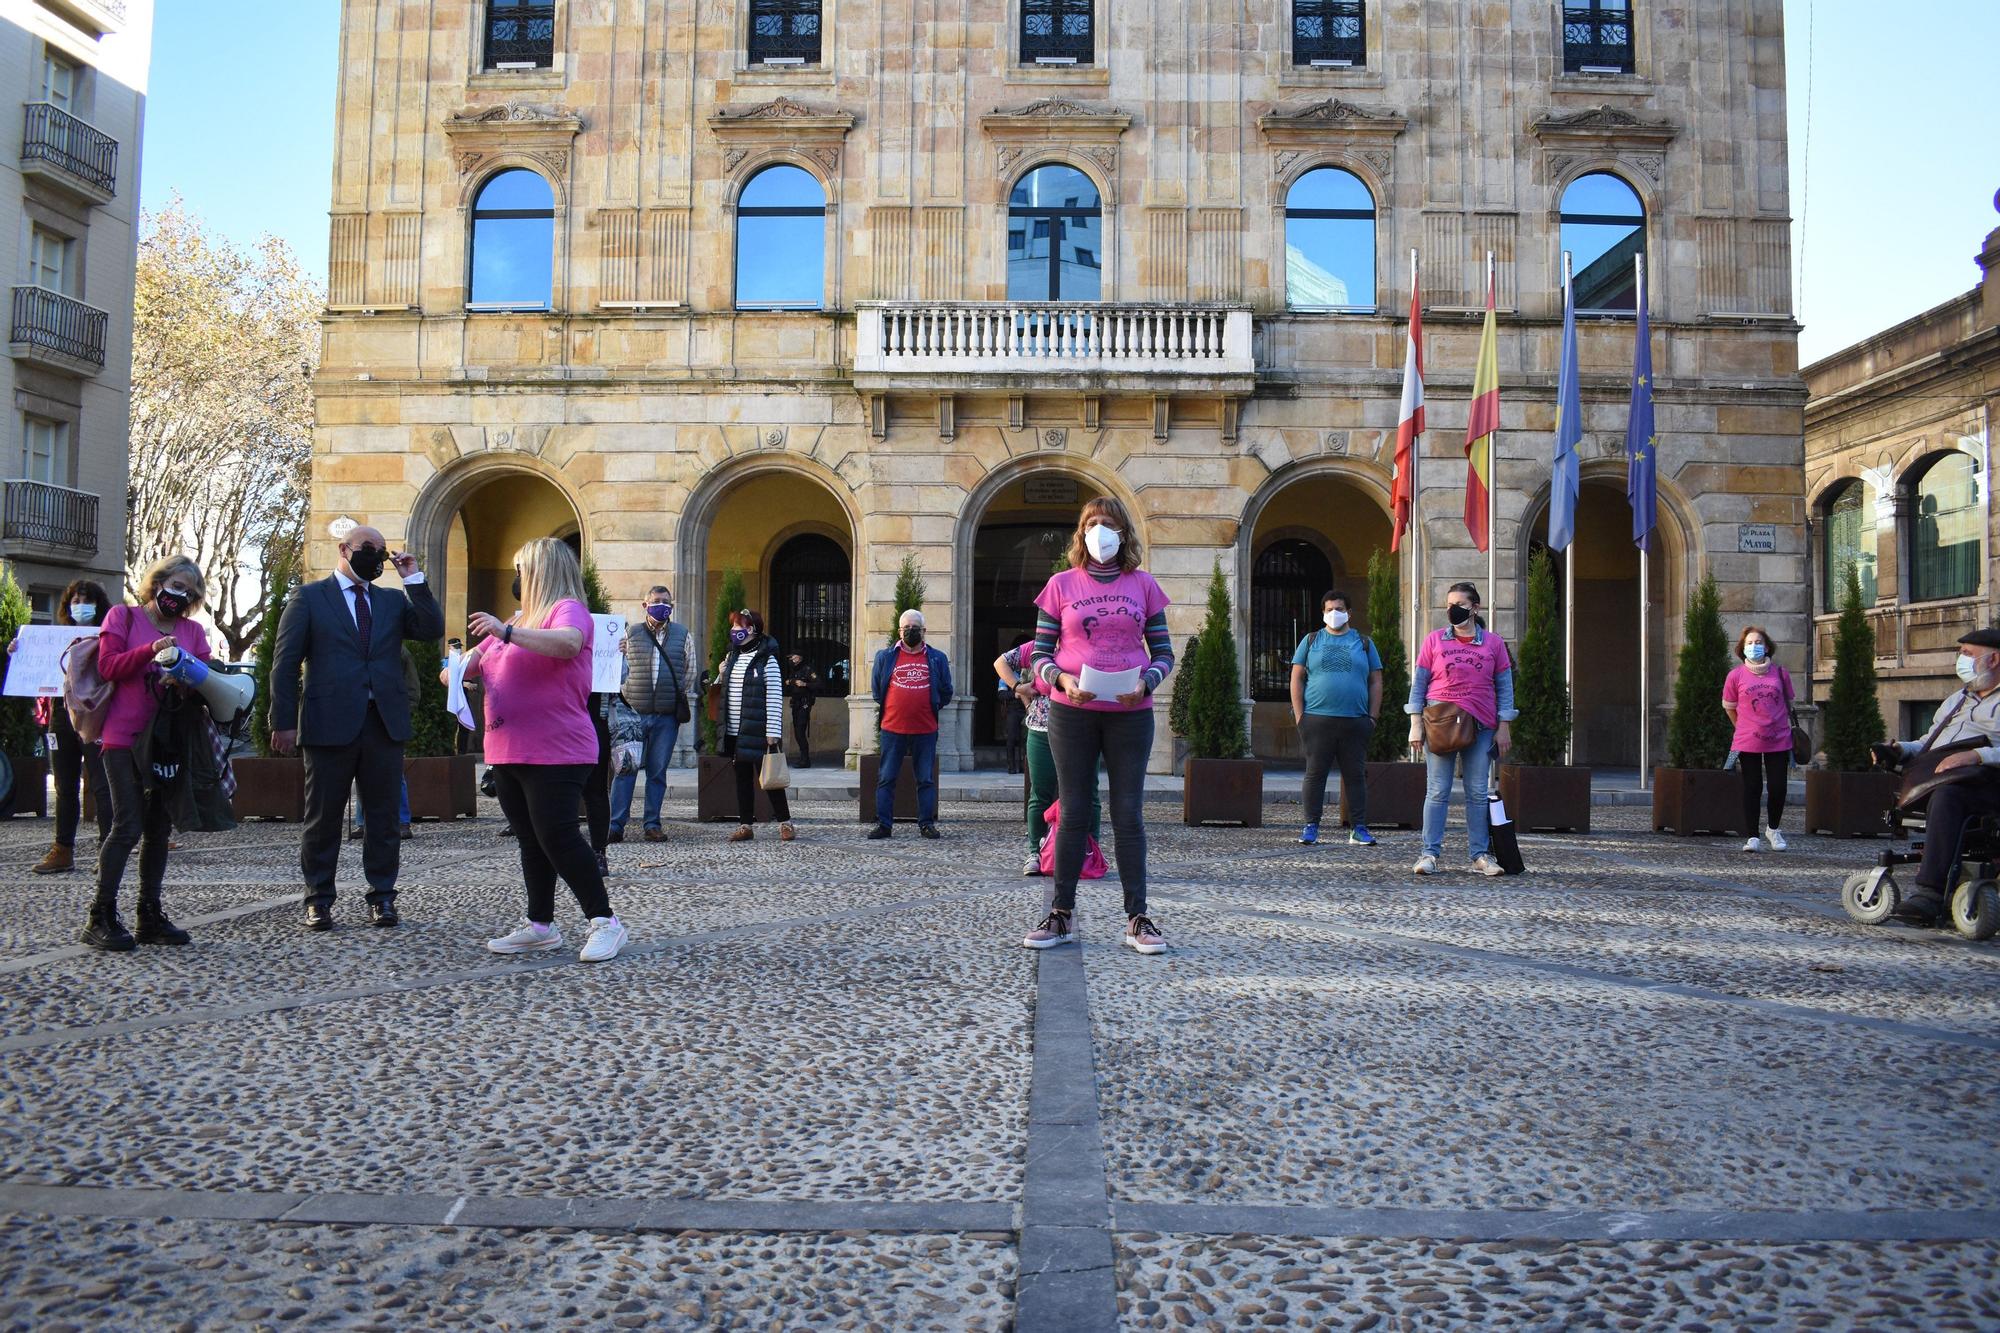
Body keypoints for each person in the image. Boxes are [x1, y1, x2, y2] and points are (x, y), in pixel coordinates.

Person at [270, 524, 444, 930]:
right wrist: (282, 722)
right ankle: (319, 899)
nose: (377, 556)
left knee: (383, 818)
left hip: (382, 723)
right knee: (323, 818)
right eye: (369, 548)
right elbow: (284, 663)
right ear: (344, 549)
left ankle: (382, 897)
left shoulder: (390, 602)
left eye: (381, 551)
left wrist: (413, 578)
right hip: (328, 722)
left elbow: (431, 628)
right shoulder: (310, 598)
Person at [1022, 497, 1174, 955]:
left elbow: (1164, 652)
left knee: (1128, 814)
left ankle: (1138, 919)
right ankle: (1061, 914)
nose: (1100, 532)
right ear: (1080, 533)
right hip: (1072, 711)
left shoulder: (1143, 586)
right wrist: (1062, 679)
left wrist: (1147, 682)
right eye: (1091, 524)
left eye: (1108, 524)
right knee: (1072, 811)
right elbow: (1041, 656)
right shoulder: (1059, 584)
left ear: (1123, 532)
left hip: (1130, 713)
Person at [466, 538, 629, 962]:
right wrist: (457, 670)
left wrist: (506, 632)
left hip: (557, 747)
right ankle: (540, 925)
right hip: (506, 747)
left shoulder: (566, 608)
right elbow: (469, 664)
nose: (516, 579)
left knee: (557, 835)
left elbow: (568, 644)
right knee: (530, 839)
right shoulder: (516, 619)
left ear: (540, 570)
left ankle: (605, 922)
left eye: (521, 570)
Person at [81, 556, 213, 951]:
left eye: (189, 592)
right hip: (123, 738)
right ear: (157, 583)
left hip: (166, 740)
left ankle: (148, 913)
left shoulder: (192, 631)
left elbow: (206, 674)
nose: (181, 595)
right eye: (176, 586)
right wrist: (152, 651)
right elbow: (108, 667)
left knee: (158, 829)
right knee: (127, 824)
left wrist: (187, 679)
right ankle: (100, 914)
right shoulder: (123, 617)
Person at [1878, 627, 2000, 924]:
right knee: (1941, 791)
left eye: (1968, 654)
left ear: (1994, 659)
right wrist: (1900, 750)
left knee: (1948, 797)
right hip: (1944, 776)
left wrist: (1977, 755)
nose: (1961, 660)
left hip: (1987, 781)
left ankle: (1929, 893)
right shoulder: (1956, 699)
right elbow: (1928, 743)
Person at [1406, 581, 1515, 878]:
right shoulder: (1433, 641)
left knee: (1478, 792)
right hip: (1441, 723)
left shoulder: (1493, 643)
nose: (1452, 610)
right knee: (1438, 790)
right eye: (1449, 604)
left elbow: (1505, 687)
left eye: (1459, 604)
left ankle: (1480, 854)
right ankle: (1429, 853)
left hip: (1481, 725)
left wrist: (1504, 726)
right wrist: (1415, 724)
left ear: (1475, 608)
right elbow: (1419, 685)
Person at [20, 578, 112, 874]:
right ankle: (63, 850)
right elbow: (34, 667)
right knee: (64, 785)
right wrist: (18, 653)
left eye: (87, 601)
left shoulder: (109, 636)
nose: (81, 607)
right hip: (61, 715)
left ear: (98, 605)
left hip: (94, 714)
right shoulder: (55, 640)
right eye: (75, 601)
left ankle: (108, 850)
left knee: (101, 783)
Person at [996, 639, 1099, 877]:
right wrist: (1017, 687)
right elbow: (1001, 662)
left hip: (1083, 728)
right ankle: (1035, 852)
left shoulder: (1088, 642)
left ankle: (1090, 850)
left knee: (1088, 792)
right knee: (1040, 792)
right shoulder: (1036, 646)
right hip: (1043, 727)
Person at [1291, 589, 1385, 847]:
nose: (1335, 613)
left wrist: (1372, 717)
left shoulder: (1364, 643)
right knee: (1315, 774)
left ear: (1349, 613)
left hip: (1355, 720)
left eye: (1340, 609)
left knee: (1355, 775)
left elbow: (1376, 680)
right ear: (1323, 613)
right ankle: (1311, 826)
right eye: (1330, 609)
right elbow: (1296, 678)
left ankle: (1359, 828)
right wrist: (1300, 716)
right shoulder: (1310, 641)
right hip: (1317, 720)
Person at [611, 585, 692, 843]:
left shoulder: (682, 634)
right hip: (633, 714)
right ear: (645, 605)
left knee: (657, 772)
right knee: (625, 770)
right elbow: (618, 670)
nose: (662, 605)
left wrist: (672, 692)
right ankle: (615, 825)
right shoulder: (630, 633)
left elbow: (689, 672)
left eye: (666, 601)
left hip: (666, 717)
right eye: (656, 601)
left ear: (672, 605)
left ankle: (652, 824)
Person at [869, 609, 953, 840]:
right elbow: (878, 691)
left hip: (925, 730)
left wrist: (927, 706)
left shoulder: (937, 658)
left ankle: (926, 823)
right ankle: (884, 825)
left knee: (925, 779)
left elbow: (946, 691)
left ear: (924, 631)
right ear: (899, 631)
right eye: (907, 627)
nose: (911, 631)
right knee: (886, 777)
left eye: (915, 627)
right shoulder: (884, 657)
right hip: (892, 729)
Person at [718, 608, 795, 842]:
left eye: (737, 627)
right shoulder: (732, 656)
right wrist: (720, 674)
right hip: (736, 730)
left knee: (770, 779)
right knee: (742, 779)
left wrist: (772, 733)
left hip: (759, 730)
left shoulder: (767, 659)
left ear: (750, 629)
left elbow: (774, 696)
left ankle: (785, 822)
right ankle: (745, 825)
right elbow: (724, 692)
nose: (733, 631)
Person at [1722, 625, 1795, 854]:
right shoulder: (1735, 676)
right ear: (1742, 648)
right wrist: (1742, 726)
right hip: (1748, 740)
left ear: (1767, 646)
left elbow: (1788, 702)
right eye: (1750, 643)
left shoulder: (1780, 673)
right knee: (1752, 787)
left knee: (1778, 787)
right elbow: (1729, 707)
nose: (1754, 646)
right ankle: (1752, 835)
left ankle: (1773, 829)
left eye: (1758, 642)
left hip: (1779, 738)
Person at [350, 647, 420, 841]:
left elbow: (412, 688)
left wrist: (402, 713)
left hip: (389, 718)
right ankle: (363, 822)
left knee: (394, 772)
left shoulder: (400, 651)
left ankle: (402, 821)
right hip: (359, 716)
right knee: (360, 770)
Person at [785, 651, 819, 768]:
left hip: (804, 704)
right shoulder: (793, 670)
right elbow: (788, 683)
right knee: (797, 732)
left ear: (799, 657)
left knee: (800, 731)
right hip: (795, 704)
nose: (791, 659)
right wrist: (790, 682)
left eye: (793, 657)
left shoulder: (807, 669)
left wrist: (805, 684)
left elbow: (819, 684)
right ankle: (803, 758)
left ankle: (805, 760)